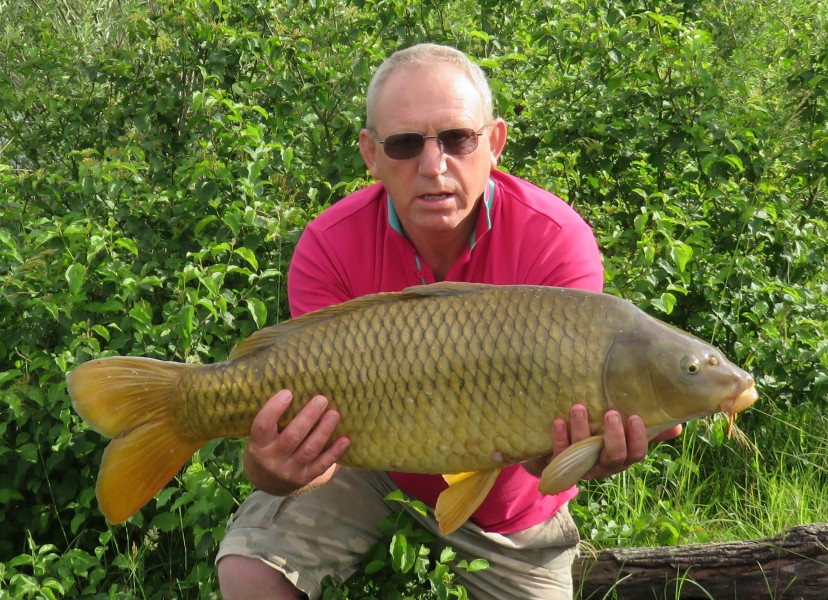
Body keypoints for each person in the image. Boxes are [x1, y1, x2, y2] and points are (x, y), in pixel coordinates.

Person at [216, 43, 681, 599]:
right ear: (371, 154)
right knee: (248, 574)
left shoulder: (556, 243)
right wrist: (272, 468)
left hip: (509, 506)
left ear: (495, 142)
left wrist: (592, 458)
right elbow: (318, 452)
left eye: (458, 139)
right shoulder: (330, 245)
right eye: (406, 144)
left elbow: (554, 456)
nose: (434, 166)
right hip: (366, 469)